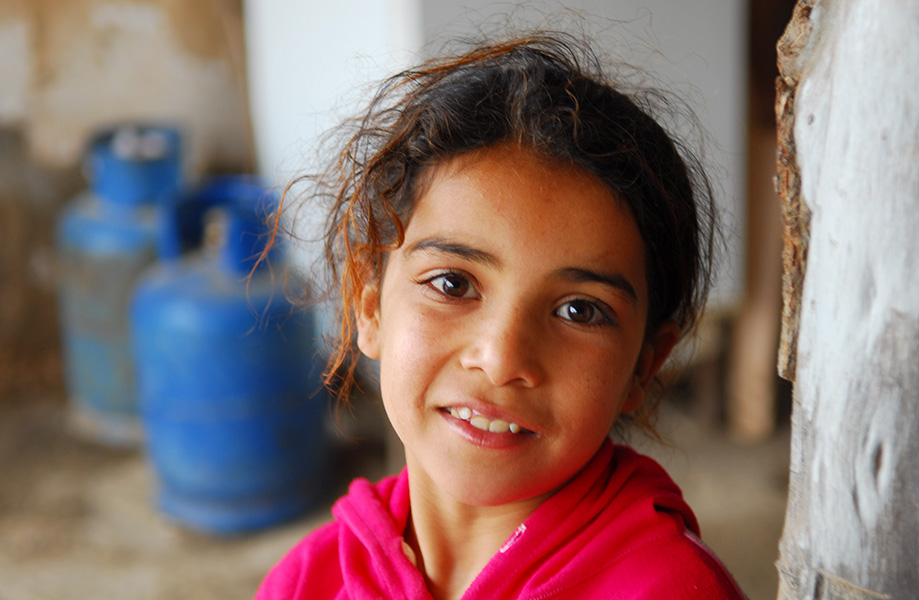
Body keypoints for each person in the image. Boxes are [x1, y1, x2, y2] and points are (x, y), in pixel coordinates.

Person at [256, 32, 747, 600]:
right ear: (369, 306)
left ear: (645, 364)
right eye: (453, 284)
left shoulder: (671, 590)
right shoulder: (307, 581)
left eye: (579, 310)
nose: (501, 359)